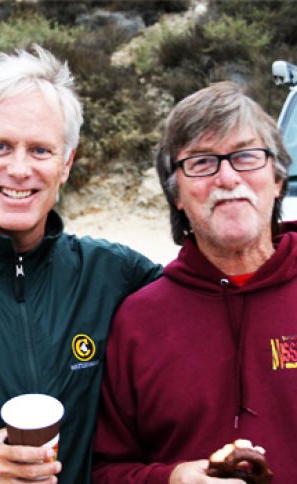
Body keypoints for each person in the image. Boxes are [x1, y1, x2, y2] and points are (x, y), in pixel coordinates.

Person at [0, 44, 162, 483]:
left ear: (66, 164)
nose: (21, 169)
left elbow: (206, 293)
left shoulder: (111, 274)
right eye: (1, 146)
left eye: (41, 151)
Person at [92, 81, 297, 483]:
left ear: (276, 179)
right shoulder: (138, 322)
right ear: (177, 196)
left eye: (246, 155)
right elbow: (102, 471)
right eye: (201, 162)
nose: (227, 176)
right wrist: (172, 479)